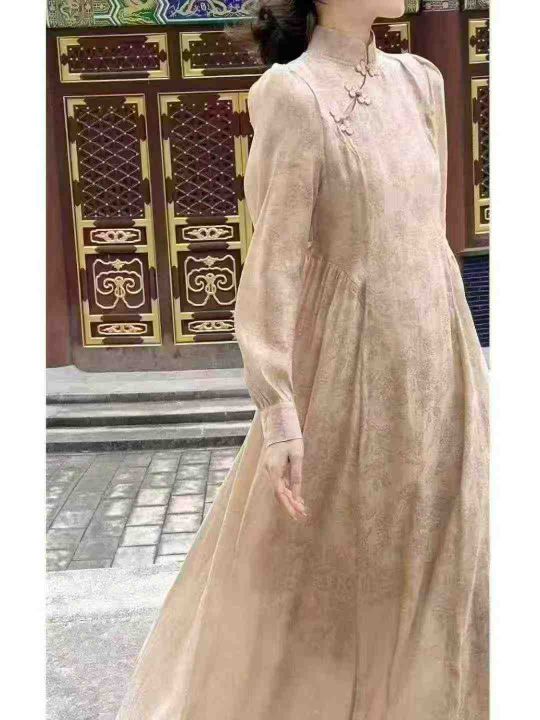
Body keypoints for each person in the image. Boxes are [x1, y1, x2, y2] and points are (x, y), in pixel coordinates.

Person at [116, 1, 489, 718]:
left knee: (454, 547)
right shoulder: (292, 92)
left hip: (442, 356)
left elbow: (429, 234)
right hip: (355, 367)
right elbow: (277, 259)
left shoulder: (422, 80)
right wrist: (279, 409)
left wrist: (459, 353)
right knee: (348, 569)